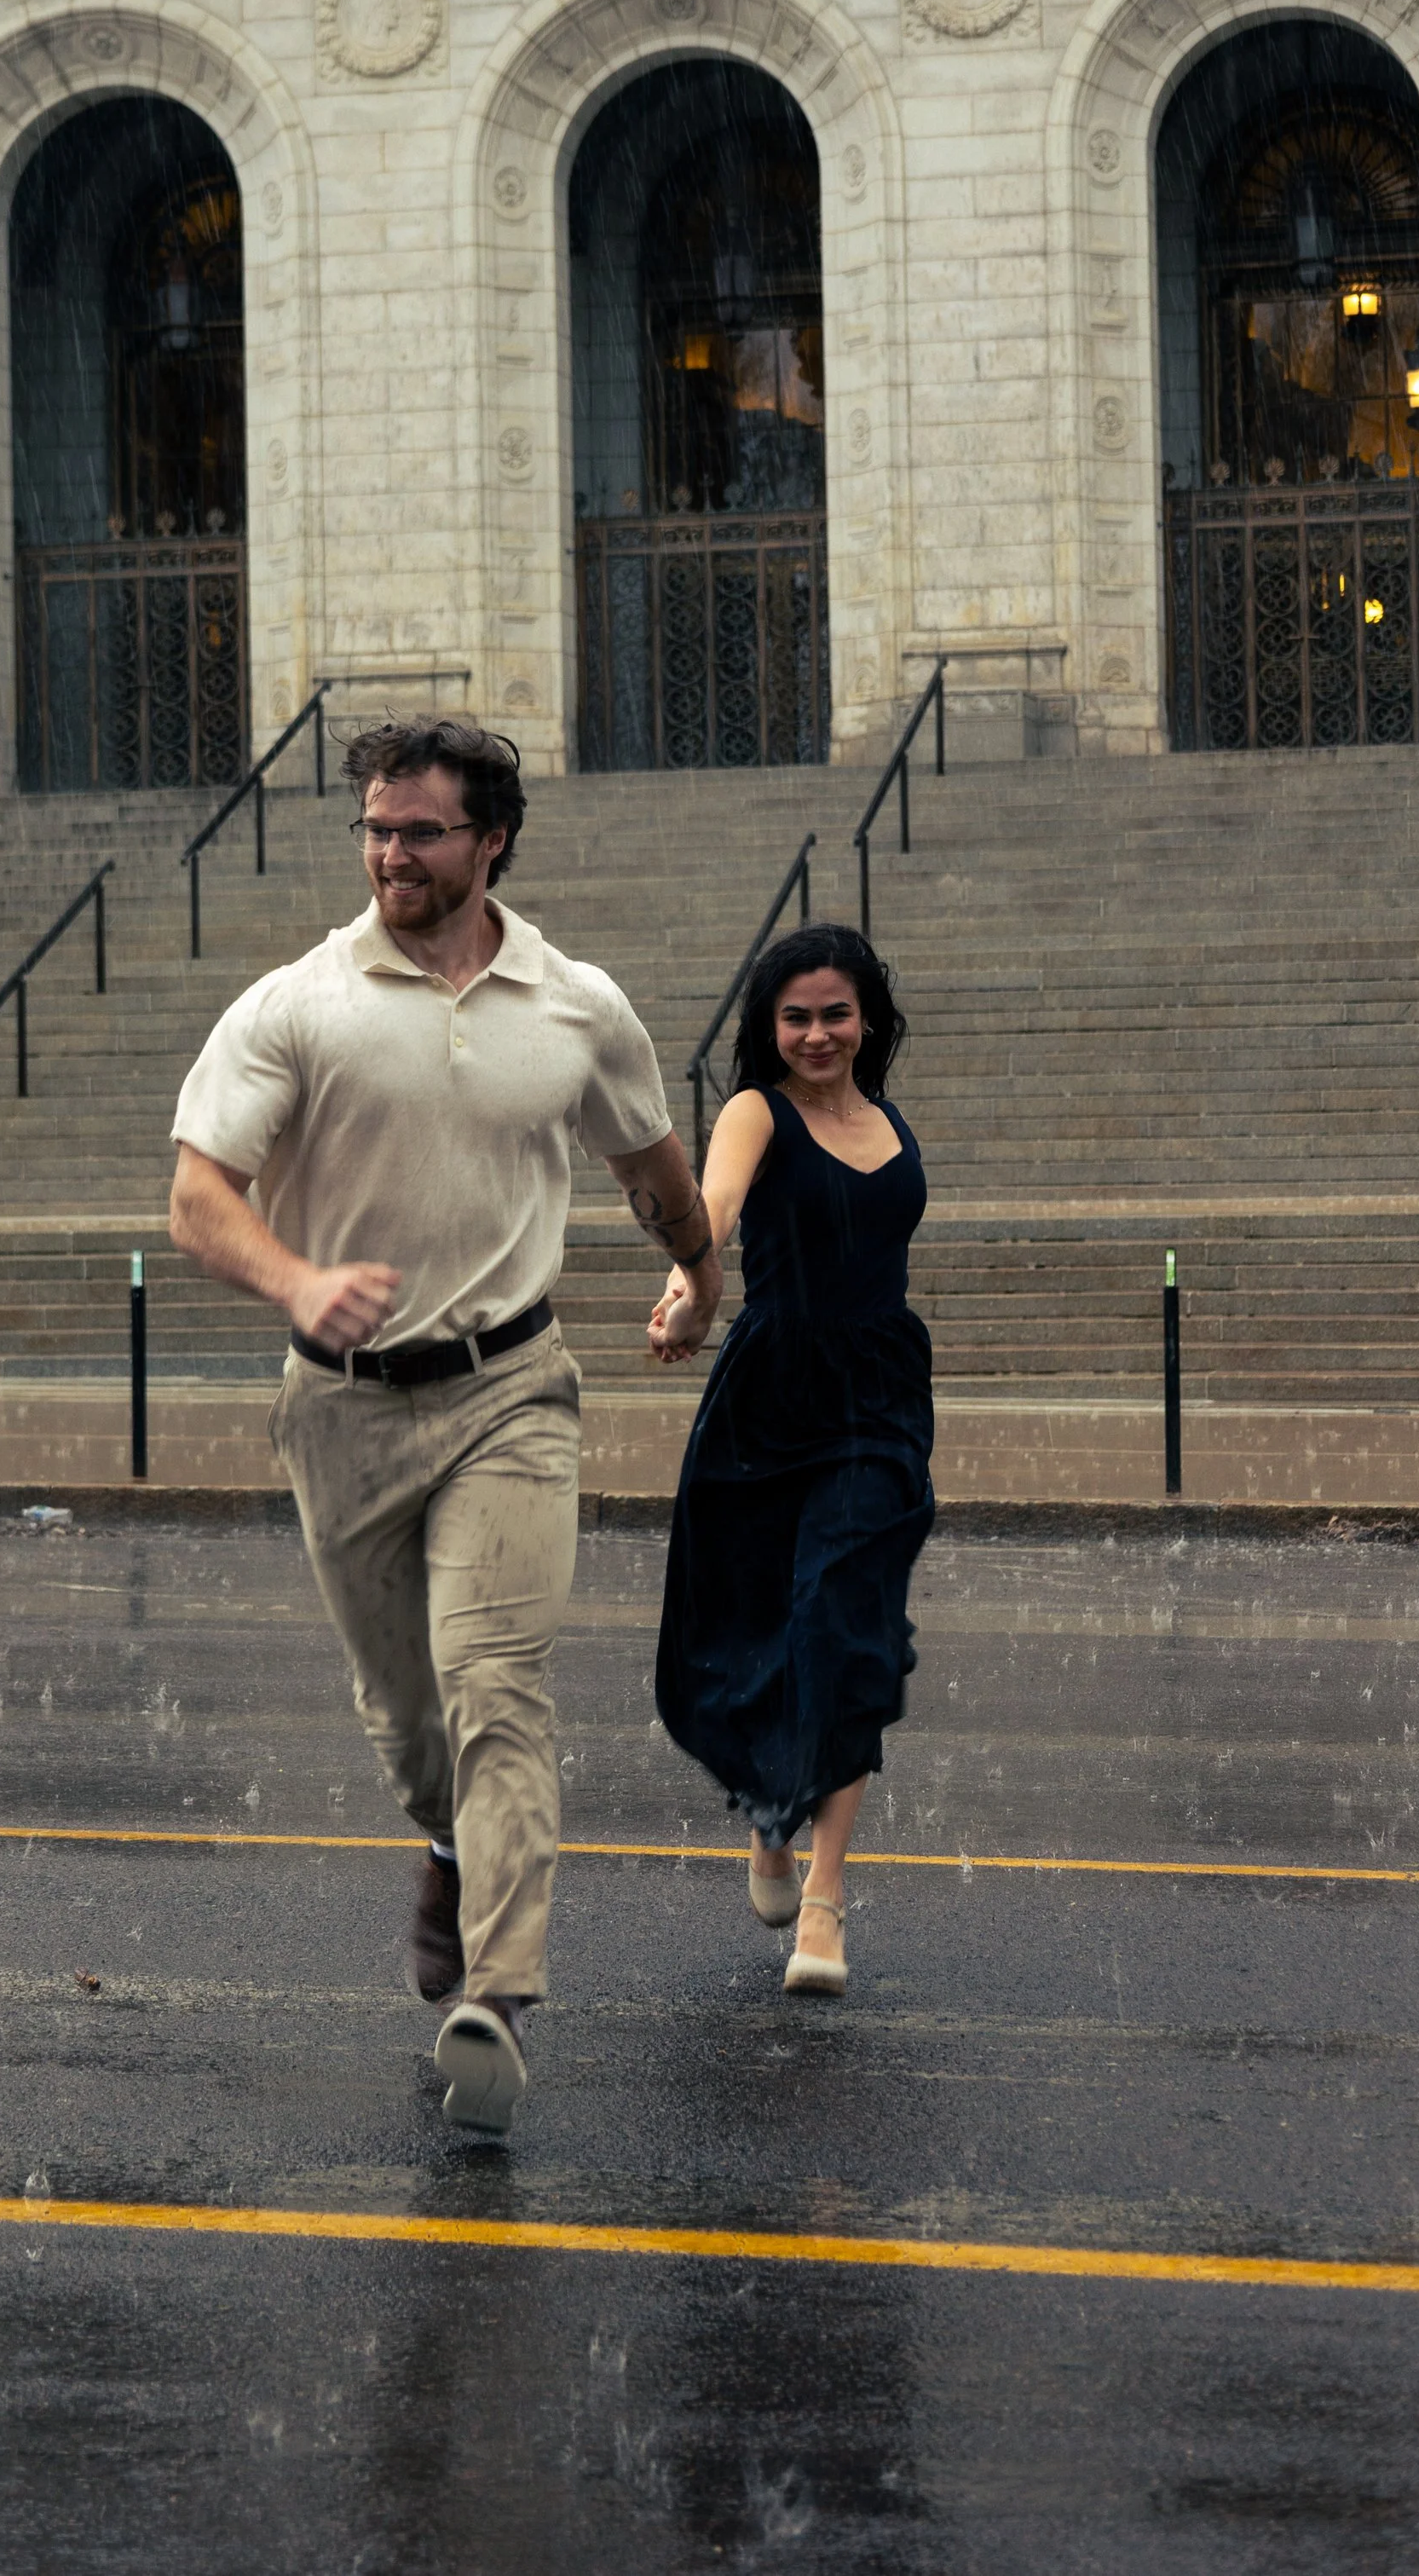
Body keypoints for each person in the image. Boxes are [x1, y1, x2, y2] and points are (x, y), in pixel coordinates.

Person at [168, 717, 720, 2135]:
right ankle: (441, 1840)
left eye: (418, 831)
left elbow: (656, 1170)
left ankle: (500, 1991)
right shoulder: (298, 1003)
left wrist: (696, 1271)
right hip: (342, 1413)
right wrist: (296, 1280)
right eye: (374, 828)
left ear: (492, 843)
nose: (389, 853)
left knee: (497, 1682)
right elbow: (197, 1197)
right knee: (411, 1724)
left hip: (512, 1390)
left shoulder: (577, 1006)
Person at [647, 924, 934, 1999]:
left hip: (880, 1399)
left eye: (836, 1013)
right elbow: (711, 1212)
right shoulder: (754, 1112)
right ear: (770, 1029)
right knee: (752, 1629)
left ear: (868, 1020)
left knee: (845, 1624)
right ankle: (770, 1807)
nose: (817, 1034)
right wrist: (687, 1291)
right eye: (796, 1017)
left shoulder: (886, 1119)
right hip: (769, 1402)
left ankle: (823, 1897)